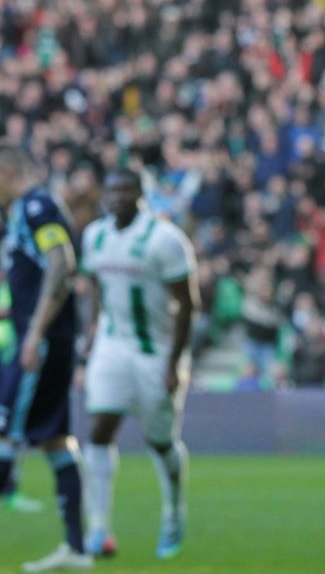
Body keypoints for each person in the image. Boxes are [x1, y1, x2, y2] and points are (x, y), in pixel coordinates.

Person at [77, 169, 199, 560]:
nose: (119, 197)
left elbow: (188, 305)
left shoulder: (165, 239)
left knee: (160, 441)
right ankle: (98, 528)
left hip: (154, 350)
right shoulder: (94, 235)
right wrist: (93, 331)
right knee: (99, 427)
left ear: (141, 194)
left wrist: (174, 362)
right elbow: (96, 287)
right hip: (111, 345)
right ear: (104, 195)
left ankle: (173, 512)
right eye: (112, 190)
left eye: (127, 190)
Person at [0, 140, 93, 571]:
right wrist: (11, 311)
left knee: (1, 435)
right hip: (47, 337)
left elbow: (61, 262)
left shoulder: (37, 207)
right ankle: (76, 549)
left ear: (6, 172)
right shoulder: (27, 210)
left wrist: (33, 332)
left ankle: (77, 548)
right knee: (56, 439)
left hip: (42, 342)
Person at [0, 278, 44, 514]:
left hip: (8, 357)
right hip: (3, 357)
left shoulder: (11, 276)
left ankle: (11, 490)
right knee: (4, 432)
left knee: (6, 430)